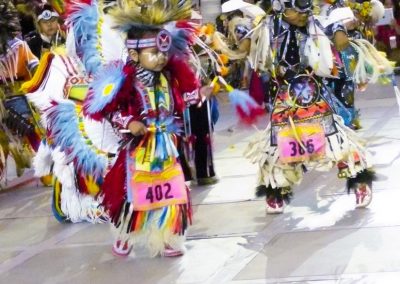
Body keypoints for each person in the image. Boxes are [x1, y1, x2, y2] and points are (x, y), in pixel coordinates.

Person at [80, 0, 208, 257]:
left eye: (164, 52)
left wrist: (201, 94)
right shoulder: (124, 81)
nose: (161, 58)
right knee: (135, 194)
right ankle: (126, 234)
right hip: (138, 150)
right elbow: (110, 111)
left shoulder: (170, 76)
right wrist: (130, 123)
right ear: (135, 55)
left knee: (173, 189)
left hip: (167, 144)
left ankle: (170, 237)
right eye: (154, 53)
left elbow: (187, 98)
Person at [244, 0, 388, 213]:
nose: (303, 14)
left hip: (314, 95)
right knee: (278, 147)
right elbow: (246, 50)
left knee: (336, 141)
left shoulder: (318, 23)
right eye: (296, 9)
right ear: (282, 8)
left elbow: (340, 43)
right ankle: (275, 192)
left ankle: (360, 181)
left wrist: (337, 27)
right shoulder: (268, 26)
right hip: (284, 97)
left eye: (306, 8)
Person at [0, 0, 40, 180]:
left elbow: (35, 69)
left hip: (18, 97)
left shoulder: (19, 46)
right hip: (9, 98)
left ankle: (44, 165)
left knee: (30, 131)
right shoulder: (20, 45)